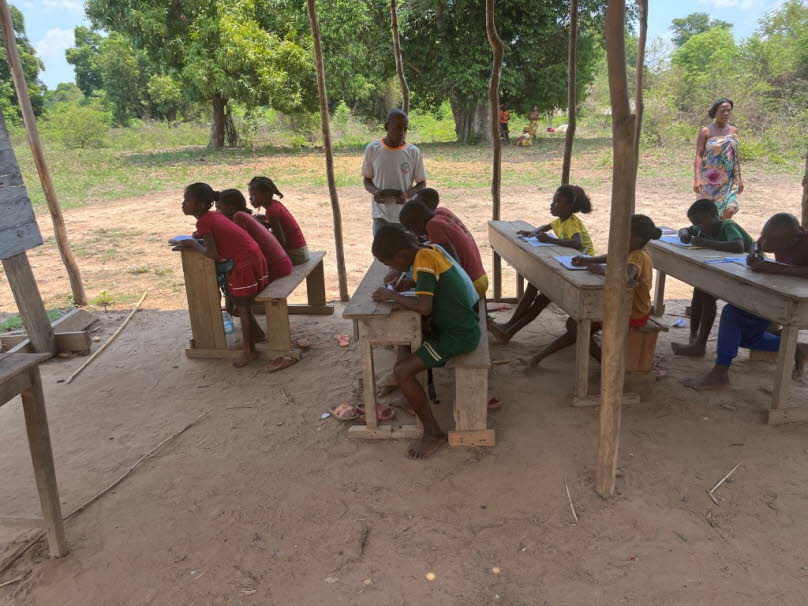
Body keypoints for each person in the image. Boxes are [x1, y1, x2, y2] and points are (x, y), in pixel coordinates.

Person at [370, 225, 480, 459]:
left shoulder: (422, 260)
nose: (393, 269)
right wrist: (411, 284)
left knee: (402, 371)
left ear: (401, 255)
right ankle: (408, 396)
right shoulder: (429, 250)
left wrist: (392, 295)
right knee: (404, 340)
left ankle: (433, 432)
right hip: (459, 324)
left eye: (391, 263)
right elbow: (435, 285)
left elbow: (424, 307)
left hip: (458, 335)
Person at [685, 213, 808, 391]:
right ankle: (794, 348)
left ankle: (720, 373)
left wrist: (775, 267)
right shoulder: (776, 236)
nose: (769, 246)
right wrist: (756, 252)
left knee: (732, 315)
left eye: (774, 244)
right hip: (780, 294)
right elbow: (757, 243)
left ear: (790, 241)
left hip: (801, 303)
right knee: (741, 332)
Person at [490, 185, 595, 343]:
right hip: (567, 263)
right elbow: (545, 227)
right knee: (533, 286)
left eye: (557, 202)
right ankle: (508, 326)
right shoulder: (560, 221)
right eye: (553, 201)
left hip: (581, 268)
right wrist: (532, 233)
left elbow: (577, 244)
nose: (552, 205)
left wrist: (550, 240)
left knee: (541, 299)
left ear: (570, 206)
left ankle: (509, 331)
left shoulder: (572, 222)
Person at [178, 183, 268, 367]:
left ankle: (249, 351)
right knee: (240, 302)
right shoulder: (213, 216)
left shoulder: (204, 220)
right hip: (252, 257)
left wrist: (193, 243)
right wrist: (199, 239)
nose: (183, 204)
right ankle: (256, 335)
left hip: (244, 263)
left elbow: (212, 254)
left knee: (242, 306)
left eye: (187, 200)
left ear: (201, 205)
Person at [671, 198, 754, 357]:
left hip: (746, 273)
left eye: (700, 222)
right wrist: (685, 234)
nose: (699, 227)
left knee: (707, 293)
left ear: (713, 215)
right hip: (728, 269)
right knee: (699, 289)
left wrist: (705, 242)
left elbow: (738, 246)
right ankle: (694, 338)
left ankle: (700, 345)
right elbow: (683, 229)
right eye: (696, 224)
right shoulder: (704, 227)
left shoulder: (727, 225)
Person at [399, 199, 488, 299]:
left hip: (472, 284)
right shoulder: (441, 212)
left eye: (412, 229)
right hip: (480, 277)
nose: (415, 234)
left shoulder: (433, 226)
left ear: (418, 222)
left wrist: (421, 283)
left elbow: (452, 263)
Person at [361, 108, 427, 235]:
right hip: (381, 216)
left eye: (405, 129)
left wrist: (406, 195)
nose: (402, 133)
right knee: (382, 254)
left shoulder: (413, 152)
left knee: (406, 254)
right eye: (397, 128)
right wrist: (375, 192)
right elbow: (367, 180)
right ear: (386, 127)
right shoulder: (373, 149)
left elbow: (422, 184)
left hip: (406, 217)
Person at [215, 188, 293, 284]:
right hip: (280, 264)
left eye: (219, 208)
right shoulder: (245, 217)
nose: (216, 212)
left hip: (275, 267)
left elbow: (239, 247)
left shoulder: (239, 217)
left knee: (231, 277)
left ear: (231, 209)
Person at [694, 98, 744, 219]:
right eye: (722, 111)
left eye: (728, 111)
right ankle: (712, 234)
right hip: (710, 179)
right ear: (715, 111)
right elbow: (699, 155)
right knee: (709, 214)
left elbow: (735, 156)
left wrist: (740, 179)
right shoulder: (706, 131)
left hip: (729, 179)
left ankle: (721, 233)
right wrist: (697, 179)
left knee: (730, 209)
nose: (726, 114)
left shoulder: (733, 130)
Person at [247, 176, 310, 265]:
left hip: (296, 255)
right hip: (301, 251)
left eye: (253, 195)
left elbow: (281, 241)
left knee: (259, 261)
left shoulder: (272, 211)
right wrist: (263, 219)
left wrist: (262, 230)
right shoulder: (276, 204)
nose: (250, 199)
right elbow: (280, 222)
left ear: (266, 194)